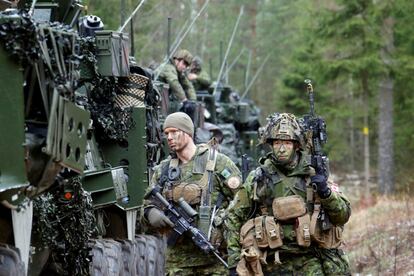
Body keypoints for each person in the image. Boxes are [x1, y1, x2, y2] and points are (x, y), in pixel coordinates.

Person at [226, 113, 351, 275]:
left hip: (310, 257)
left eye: (287, 143)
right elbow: (234, 217)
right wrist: (234, 262)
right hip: (270, 259)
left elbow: (343, 215)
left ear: (297, 145)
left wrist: (325, 192)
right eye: (277, 143)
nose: (282, 148)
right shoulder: (258, 177)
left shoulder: (314, 173)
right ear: (270, 144)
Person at [142, 112, 242, 275]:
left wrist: (223, 223)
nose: (169, 137)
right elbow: (146, 206)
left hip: (215, 261)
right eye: (166, 133)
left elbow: (243, 204)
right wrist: (151, 213)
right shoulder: (164, 170)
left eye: (174, 131)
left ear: (187, 132)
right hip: (178, 263)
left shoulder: (217, 163)